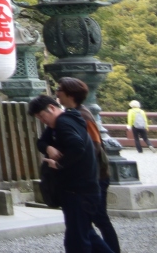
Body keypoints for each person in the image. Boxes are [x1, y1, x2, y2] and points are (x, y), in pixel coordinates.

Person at [29, 94, 116, 253]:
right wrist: (48, 147)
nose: (42, 120)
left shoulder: (63, 123)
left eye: (41, 116)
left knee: (77, 240)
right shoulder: (60, 123)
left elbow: (77, 146)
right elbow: (41, 142)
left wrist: (59, 164)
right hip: (82, 189)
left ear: (51, 108)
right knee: (87, 234)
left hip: (79, 190)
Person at [55, 79, 120, 253]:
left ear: (70, 94)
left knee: (99, 219)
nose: (57, 93)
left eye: (59, 89)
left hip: (96, 175)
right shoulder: (72, 114)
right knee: (88, 223)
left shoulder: (83, 115)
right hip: (90, 176)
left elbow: (95, 145)